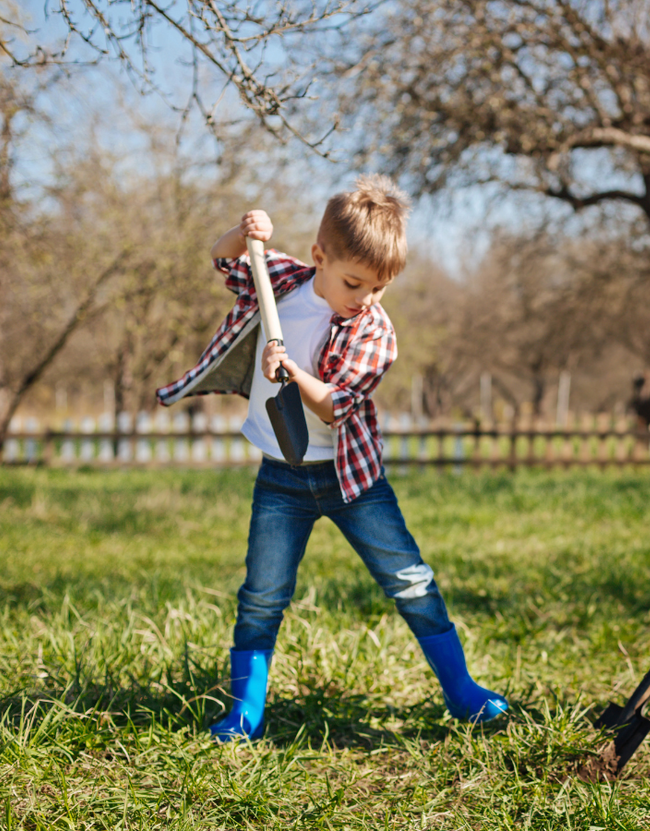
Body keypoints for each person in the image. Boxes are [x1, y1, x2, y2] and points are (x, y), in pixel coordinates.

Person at [156, 175, 509, 741]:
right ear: (319, 257)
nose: (365, 297)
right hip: (282, 479)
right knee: (262, 594)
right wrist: (243, 232)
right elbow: (225, 261)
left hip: (353, 482)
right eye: (354, 282)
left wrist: (290, 372)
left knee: (409, 580)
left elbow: (335, 406)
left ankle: (462, 691)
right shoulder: (283, 282)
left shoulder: (375, 332)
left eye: (378, 288)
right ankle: (245, 713)